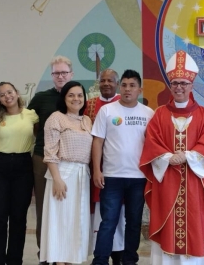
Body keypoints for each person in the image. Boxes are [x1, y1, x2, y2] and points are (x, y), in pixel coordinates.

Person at [139, 50, 204, 264]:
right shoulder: (159, 114)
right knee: (168, 225)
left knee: (194, 222)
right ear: (170, 85)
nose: (179, 87)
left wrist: (186, 156)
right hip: (167, 179)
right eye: (175, 82)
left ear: (191, 86)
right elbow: (151, 142)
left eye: (184, 83)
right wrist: (168, 157)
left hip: (195, 182)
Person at [91, 70, 154, 265]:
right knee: (108, 222)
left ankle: (130, 260)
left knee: (134, 223)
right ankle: (100, 260)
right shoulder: (107, 111)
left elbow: (155, 145)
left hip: (138, 178)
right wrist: (96, 170)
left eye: (132, 85)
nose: (128, 89)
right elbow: (97, 142)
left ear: (140, 89)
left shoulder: (149, 113)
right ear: (120, 87)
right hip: (111, 177)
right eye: (124, 85)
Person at [0, 82, 39, 265]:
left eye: (9, 92)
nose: (7, 96)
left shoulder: (31, 115)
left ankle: (15, 260)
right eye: (2, 95)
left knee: (18, 218)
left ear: (17, 93)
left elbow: (40, 140)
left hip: (23, 166)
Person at [27, 55, 74, 262]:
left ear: (71, 74)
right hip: (42, 159)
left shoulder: (77, 97)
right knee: (44, 209)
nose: (60, 76)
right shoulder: (41, 98)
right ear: (52, 75)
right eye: (56, 73)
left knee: (66, 208)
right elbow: (31, 125)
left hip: (71, 162)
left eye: (64, 72)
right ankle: (44, 254)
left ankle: (65, 254)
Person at [40, 81, 92, 265]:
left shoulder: (86, 120)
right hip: (62, 173)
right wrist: (57, 178)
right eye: (71, 95)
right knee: (61, 222)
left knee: (76, 223)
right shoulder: (56, 118)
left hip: (82, 176)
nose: (76, 99)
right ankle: (59, 262)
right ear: (64, 98)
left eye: (79, 95)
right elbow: (50, 152)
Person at [84, 69, 125, 265]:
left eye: (111, 80)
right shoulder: (90, 105)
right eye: (103, 80)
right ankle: (100, 253)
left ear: (117, 84)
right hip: (97, 168)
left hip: (119, 169)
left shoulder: (124, 103)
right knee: (100, 213)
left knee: (120, 214)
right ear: (98, 83)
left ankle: (119, 254)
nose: (106, 83)